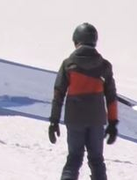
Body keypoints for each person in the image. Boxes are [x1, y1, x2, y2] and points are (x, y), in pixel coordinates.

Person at [49, 23, 119, 180]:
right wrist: (113, 123)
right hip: (96, 120)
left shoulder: (68, 65)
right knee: (96, 160)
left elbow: (58, 94)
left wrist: (54, 121)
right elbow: (111, 97)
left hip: (74, 119)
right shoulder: (104, 66)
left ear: (76, 41)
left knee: (74, 159)